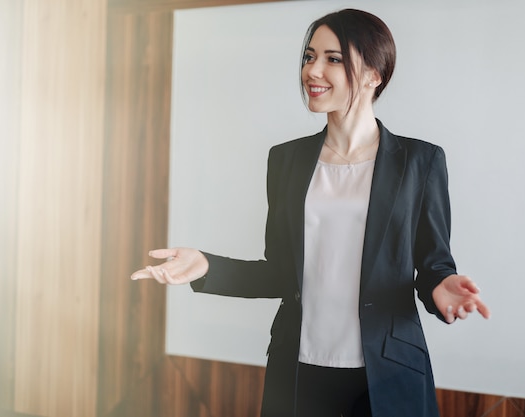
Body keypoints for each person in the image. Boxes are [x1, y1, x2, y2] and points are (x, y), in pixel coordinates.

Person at [131, 8, 491, 417]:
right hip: (299, 372)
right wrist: (206, 265)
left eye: (333, 59)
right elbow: (282, 272)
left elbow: (434, 266)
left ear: (375, 74)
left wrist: (441, 288)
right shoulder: (285, 161)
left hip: (387, 374)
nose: (313, 70)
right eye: (309, 56)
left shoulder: (420, 162)